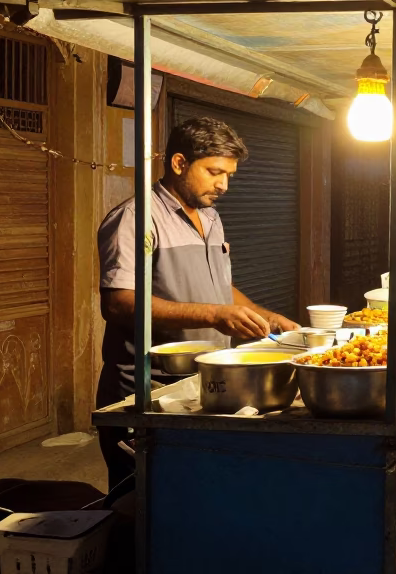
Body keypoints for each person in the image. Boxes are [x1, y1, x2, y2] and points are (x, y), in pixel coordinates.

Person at [95, 117, 301, 491]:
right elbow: (120, 303)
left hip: (204, 385)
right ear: (178, 163)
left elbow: (219, 288)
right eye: (214, 172)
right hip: (150, 392)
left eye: (229, 175)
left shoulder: (210, 216)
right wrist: (214, 315)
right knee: (144, 503)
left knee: (198, 495)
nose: (223, 184)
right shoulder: (135, 219)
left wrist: (264, 316)